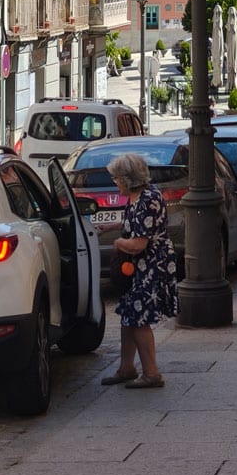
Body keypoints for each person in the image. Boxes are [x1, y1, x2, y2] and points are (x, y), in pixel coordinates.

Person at [101, 152, 178, 389]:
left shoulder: (146, 199)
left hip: (151, 266)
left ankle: (151, 373)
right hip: (141, 267)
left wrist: (118, 243)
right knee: (128, 316)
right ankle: (127, 368)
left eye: (116, 178)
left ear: (127, 179)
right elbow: (135, 224)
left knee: (139, 318)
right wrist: (112, 226)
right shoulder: (138, 196)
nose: (114, 182)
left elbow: (138, 244)